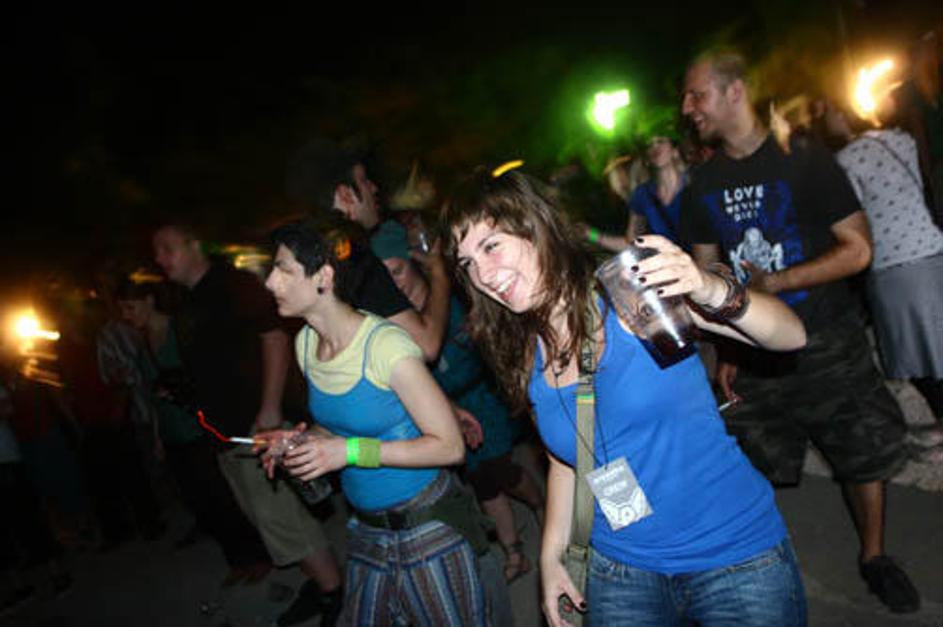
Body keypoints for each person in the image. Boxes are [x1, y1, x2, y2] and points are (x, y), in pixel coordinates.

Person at [443, 168, 808, 626]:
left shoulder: (628, 296)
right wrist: (552, 557)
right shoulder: (521, 348)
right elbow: (567, 458)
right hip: (620, 569)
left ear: (535, 227)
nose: (482, 274)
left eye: (491, 246)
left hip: (733, 557)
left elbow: (790, 336)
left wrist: (708, 287)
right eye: (467, 263)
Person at [679, 50, 920, 613]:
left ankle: (875, 557)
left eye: (697, 95)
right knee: (748, 458)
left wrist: (779, 281)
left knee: (861, 448)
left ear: (735, 91)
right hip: (757, 353)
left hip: (829, 337)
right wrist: (728, 345)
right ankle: (762, 567)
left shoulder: (806, 160)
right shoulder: (702, 185)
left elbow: (858, 249)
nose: (688, 108)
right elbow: (709, 275)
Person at [261, 219, 489, 626]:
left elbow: (450, 446)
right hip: (367, 531)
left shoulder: (384, 345)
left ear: (323, 277)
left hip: (425, 524)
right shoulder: (306, 344)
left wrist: (348, 452)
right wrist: (303, 442)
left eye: (283, 270)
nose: (269, 282)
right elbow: (340, 428)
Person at [152, 223, 342, 626]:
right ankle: (320, 583)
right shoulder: (189, 300)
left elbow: (274, 338)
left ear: (194, 243)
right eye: (157, 252)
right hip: (226, 431)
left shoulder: (230, 285)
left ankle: (334, 592)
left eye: (167, 248)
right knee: (267, 520)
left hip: (258, 425)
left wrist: (270, 408)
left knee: (283, 517)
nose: (160, 258)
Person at [372, 221, 544, 585]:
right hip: (445, 406)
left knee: (501, 468)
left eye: (398, 270)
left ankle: (540, 504)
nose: (394, 282)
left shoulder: (451, 300)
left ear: (413, 263)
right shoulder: (395, 321)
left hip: (483, 395)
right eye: (384, 277)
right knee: (480, 480)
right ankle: (513, 551)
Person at [115, 279, 273, 583]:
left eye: (130, 307)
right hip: (173, 433)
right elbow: (152, 395)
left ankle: (257, 556)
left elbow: (213, 374)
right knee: (201, 502)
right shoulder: (142, 342)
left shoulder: (180, 330)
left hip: (200, 427)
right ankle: (236, 560)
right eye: (122, 309)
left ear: (149, 300)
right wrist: (158, 436)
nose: (126, 315)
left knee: (223, 495)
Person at [824, 98, 943, 432]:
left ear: (844, 114)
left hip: (896, 267)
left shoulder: (846, 159)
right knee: (935, 348)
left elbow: (851, 218)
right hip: (933, 250)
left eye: (829, 110)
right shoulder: (902, 140)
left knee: (912, 355)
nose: (826, 117)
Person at [286, 138, 450, 361]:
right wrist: (440, 273)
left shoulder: (312, 258)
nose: (374, 188)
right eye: (364, 180)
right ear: (346, 195)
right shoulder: (356, 261)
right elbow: (426, 345)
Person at [584, 137, 688, 250]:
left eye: (660, 141)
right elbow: (632, 243)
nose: (655, 147)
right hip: (672, 260)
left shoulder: (693, 183)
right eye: (649, 145)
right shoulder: (643, 195)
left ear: (675, 151)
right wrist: (591, 234)